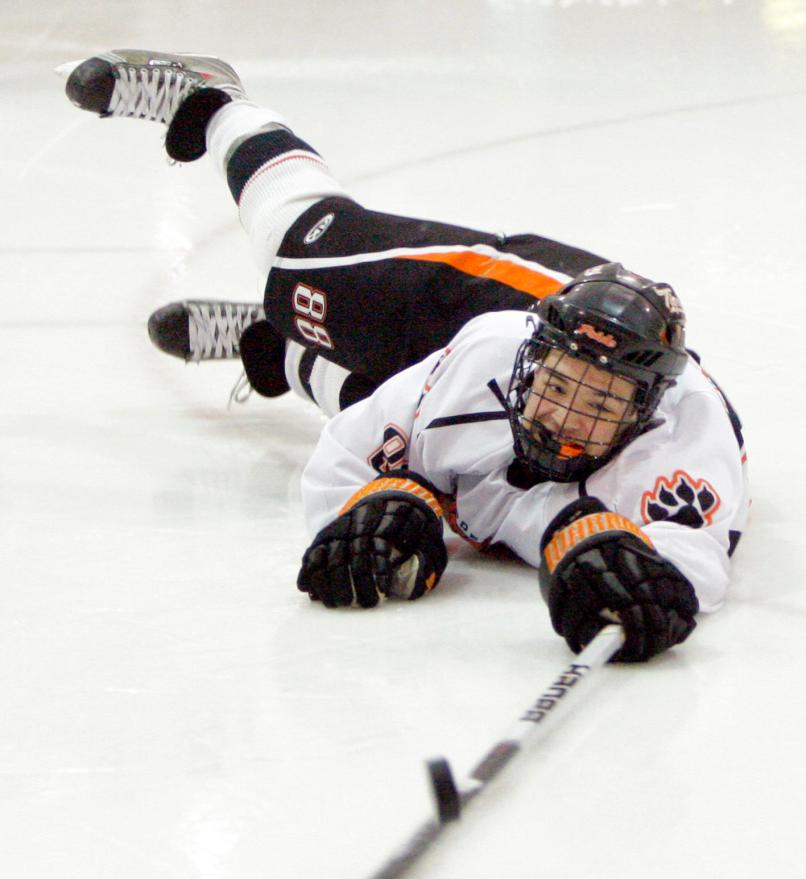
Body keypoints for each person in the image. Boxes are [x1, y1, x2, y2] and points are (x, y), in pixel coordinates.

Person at [61, 49, 750, 662]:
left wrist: (386, 503)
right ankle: (214, 103)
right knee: (305, 256)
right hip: (522, 303)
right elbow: (353, 459)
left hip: (554, 372)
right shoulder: (496, 349)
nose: (569, 417)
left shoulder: (676, 444)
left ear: (642, 416)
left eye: (600, 405)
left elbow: (689, 563)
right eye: (564, 389)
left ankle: (275, 350)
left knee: (400, 426)